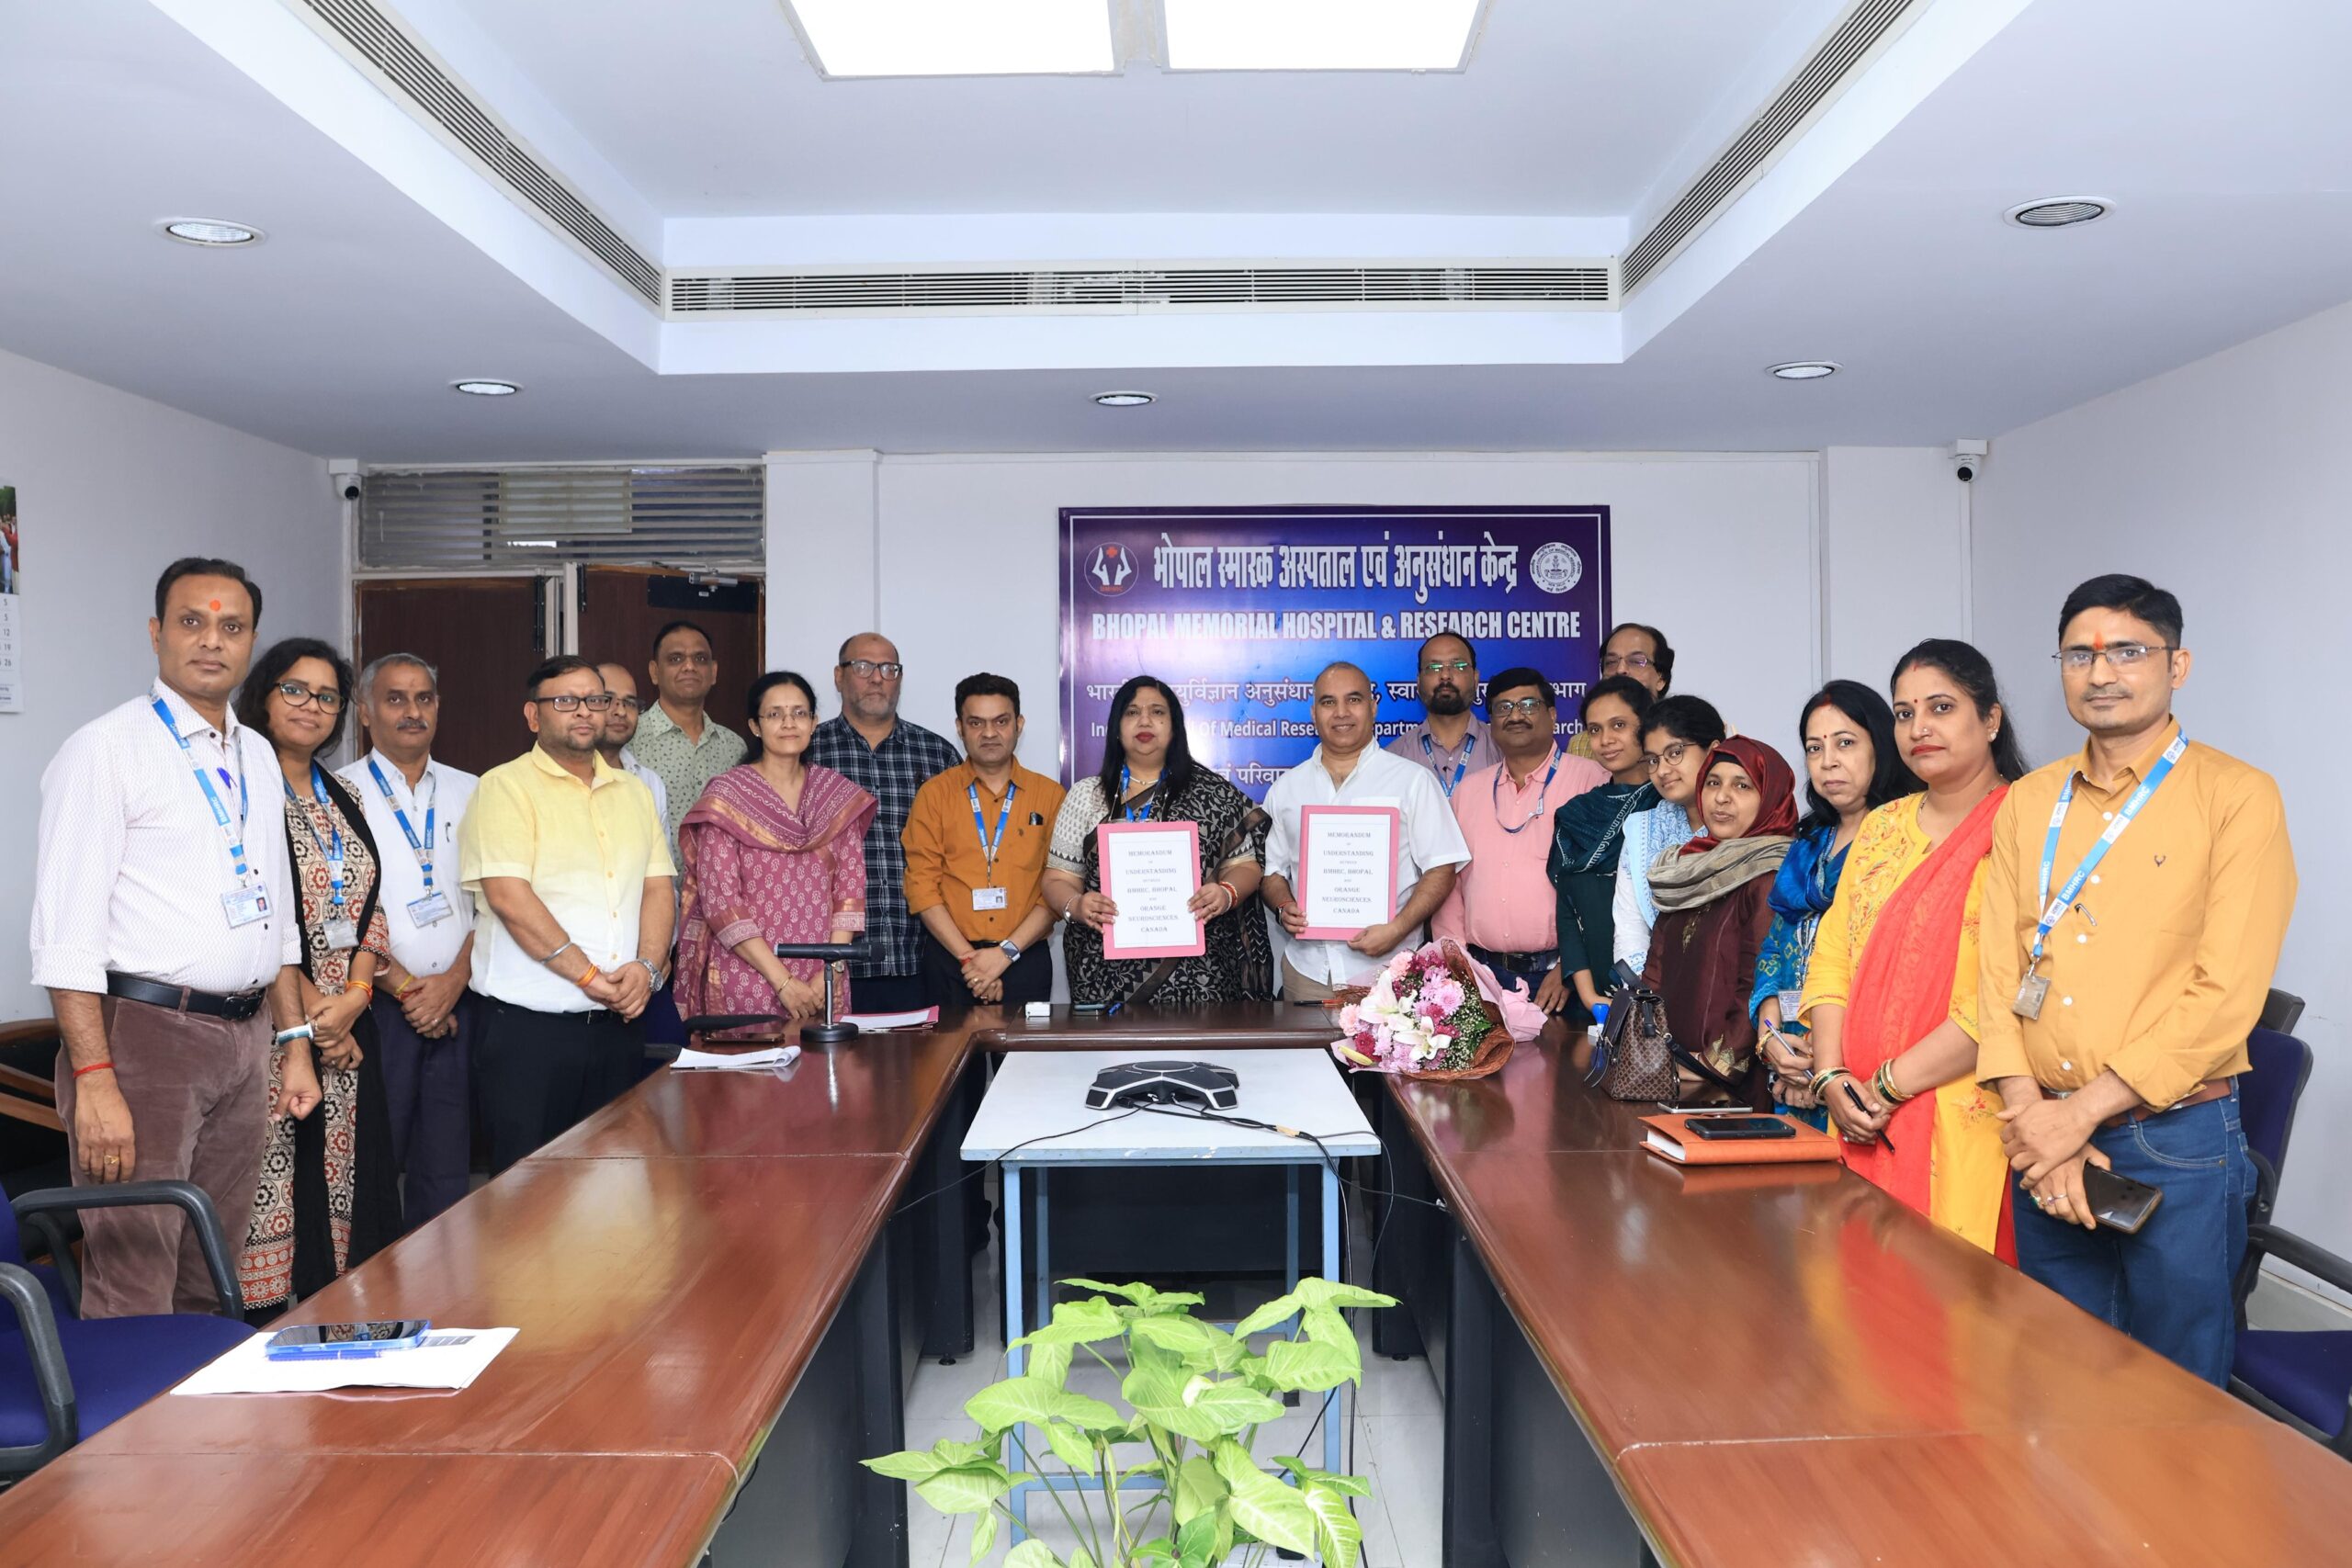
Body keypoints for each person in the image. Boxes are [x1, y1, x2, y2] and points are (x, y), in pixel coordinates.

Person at [1978, 575, 2295, 1383]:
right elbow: (1997, 972)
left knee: (2173, 1391)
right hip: (2038, 1130)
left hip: (2172, 1137)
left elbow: (2225, 999)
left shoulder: (2237, 796)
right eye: (2078, 655)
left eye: (2127, 651)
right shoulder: (2028, 801)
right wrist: (2036, 1119)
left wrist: (2074, 1117)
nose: (2101, 672)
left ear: (2176, 665)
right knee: (2057, 1374)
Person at [29, 558, 317, 1317]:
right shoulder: (106, 748)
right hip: (147, 1041)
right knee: (135, 1273)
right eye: (192, 621)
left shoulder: (257, 754)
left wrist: (292, 1040)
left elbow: (279, 918)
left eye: (232, 626)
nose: (211, 640)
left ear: (251, 642)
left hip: (245, 1037)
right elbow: (66, 936)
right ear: (157, 633)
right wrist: (95, 1078)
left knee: (211, 1270)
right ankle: (125, 1402)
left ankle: (198, 1398)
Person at [1793, 645, 2022, 1257]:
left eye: (1941, 708)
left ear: (1990, 719)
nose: (1918, 727)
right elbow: (1832, 957)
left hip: (1966, 1117)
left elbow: (2005, 996)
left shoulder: (2025, 828)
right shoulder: (1882, 826)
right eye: (1904, 713)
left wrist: (1887, 1087)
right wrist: (1830, 1074)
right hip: (1854, 1113)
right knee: (1854, 1290)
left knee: (1947, 1296)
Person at [233, 638, 404, 1311]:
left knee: (352, 1184)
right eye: (295, 690)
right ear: (264, 694)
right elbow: (259, 912)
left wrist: (356, 997)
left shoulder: (345, 793)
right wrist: (317, 1019)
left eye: (327, 696)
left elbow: (370, 906)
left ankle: (341, 1312)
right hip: (276, 1024)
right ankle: (269, 1321)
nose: (312, 706)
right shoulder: (244, 791)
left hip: (350, 1020)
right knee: (278, 1183)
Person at [458, 656, 674, 1174]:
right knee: (527, 1191)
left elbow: (658, 888)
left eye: (594, 700)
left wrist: (647, 968)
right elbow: (510, 898)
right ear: (533, 716)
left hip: (620, 1026)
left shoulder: (635, 791)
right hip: (530, 1036)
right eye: (565, 701)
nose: (584, 711)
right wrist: (590, 978)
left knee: (619, 1183)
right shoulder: (504, 787)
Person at [338, 653, 478, 1231]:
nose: (412, 711)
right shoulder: (338, 793)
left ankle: (443, 1279)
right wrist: (411, 990)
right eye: (395, 698)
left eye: (424, 698)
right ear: (365, 712)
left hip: (460, 1003)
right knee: (372, 1164)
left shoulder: (475, 790)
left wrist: (452, 983)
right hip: (375, 1008)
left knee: (447, 1173)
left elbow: (496, 902)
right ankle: (373, 1282)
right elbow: (339, 913)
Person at [1042, 676, 1272, 1007]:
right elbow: (1057, 879)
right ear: (1116, 728)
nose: (1145, 721)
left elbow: (1246, 867)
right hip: (1102, 974)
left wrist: (1226, 893)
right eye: (1132, 712)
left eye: (1157, 712)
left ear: (1174, 727)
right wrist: (1075, 905)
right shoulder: (1086, 795)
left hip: (1202, 978)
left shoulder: (1214, 793)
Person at [1751, 682, 1919, 1124]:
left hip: (1866, 1070)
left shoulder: (1906, 840)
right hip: (1791, 1065)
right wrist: (1770, 1037)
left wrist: (1825, 1064)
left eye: (1845, 743)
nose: (1828, 761)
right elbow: (1774, 947)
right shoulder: (1808, 843)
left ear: (1881, 746)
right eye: (1815, 748)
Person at [674, 672, 876, 1038]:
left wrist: (829, 971)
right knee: (757, 1073)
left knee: (827, 1073)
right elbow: (721, 901)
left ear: (814, 723)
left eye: (799, 713)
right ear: (755, 725)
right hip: (748, 975)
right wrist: (782, 981)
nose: (788, 723)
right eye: (774, 714)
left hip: (824, 980)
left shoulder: (835, 797)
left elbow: (849, 891)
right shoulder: (727, 798)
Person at [1262, 662, 1471, 1002]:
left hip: (1389, 972)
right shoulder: (1287, 788)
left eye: (1354, 699)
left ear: (1373, 707)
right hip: (1307, 972)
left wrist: (1397, 929)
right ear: (1313, 713)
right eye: (1328, 702)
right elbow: (1273, 871)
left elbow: (1442, 868)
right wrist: (1284, 906)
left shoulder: (1412, 781)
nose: (1341, 713)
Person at [1432, 667, 1606, 1012]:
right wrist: (1459, 966)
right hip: (1482, 976)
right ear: (1491, 722)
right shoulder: (1468, 792)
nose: (1515, 715)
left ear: (1552, 715)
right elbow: (1450, 886)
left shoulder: (1592, 781)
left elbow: (1604, 889)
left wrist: (1571, 966)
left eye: (1528, 705)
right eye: (1503, 707)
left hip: (1564, 981)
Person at [808, 633, 963, 1014]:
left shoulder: (937, 754)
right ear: (838, 676)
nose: (877, 678)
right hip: (829, 962)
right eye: (863, 666)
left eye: (889, 669)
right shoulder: (809, 750)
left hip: (923, 957)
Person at [1640, 737, 1798, 1104]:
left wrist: (1712, 1066)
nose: (1722, 798)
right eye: (1713, 783)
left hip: (1729, 1087)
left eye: (1742, 786)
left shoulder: (1772, 876)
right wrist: (1646, 1050)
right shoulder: (1688, 868)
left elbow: (1757, 983)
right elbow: (1655, 971)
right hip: (1669, 1069)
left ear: (1771, 798)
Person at [902, 673, 1068, 1011]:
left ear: (1019, 724)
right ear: (960, 728)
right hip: (951, 961)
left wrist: (1004, 955)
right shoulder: (934, 795)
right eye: (976, 722)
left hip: (1025, 958)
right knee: (951, 1050)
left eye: (1001, 721)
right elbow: (921, 887)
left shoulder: (1050, 796)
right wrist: (971, 962)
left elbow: (1057, 888)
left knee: (1024, 1050)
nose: (989, 733)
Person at [1550, 675, 1657, 1018]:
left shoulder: (1669, 808)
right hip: (1592, 995)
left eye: (1619, 725)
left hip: (1660, 988)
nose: (1606, 740)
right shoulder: (1576, 813)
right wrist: (1589, 996)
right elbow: (1568, 910)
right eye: (1595, 730)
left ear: (1646, 727)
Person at [1613, 694, 1728, 973]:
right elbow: (1630, 931)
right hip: (1656, 986)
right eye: (1653, 760)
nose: (1662, 770)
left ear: (1713, 751)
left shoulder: (1748, 825)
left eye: (1675, 752)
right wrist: (1649, 989)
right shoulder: (1642, 831)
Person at [630, 621, 744, 854]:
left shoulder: (734, 747)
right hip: (654, 877)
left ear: (713, 672)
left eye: (700, 659)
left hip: (722, 877)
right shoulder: (630, 740)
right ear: (654, 672)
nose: (690, 666)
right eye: (676, 659)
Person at [1386, 633, 1489, 798]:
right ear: (1418, 681)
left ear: (1476, 678)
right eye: (1433, 667)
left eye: (1458, 665)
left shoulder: (1503, 750)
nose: (1445, 675)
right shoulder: (1393, 757)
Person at [1566, 622, 1677, 762]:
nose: (1620, 670)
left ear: (1661, 679)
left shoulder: (1681, 738)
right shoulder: (1581, 745)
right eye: (1611, 662)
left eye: (1636, 661)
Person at [596, 660, 669, 828]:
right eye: (607, 699)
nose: (621, 711)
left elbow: (660, 845)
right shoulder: (565, 776)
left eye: (629, 703)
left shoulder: (650, 783)